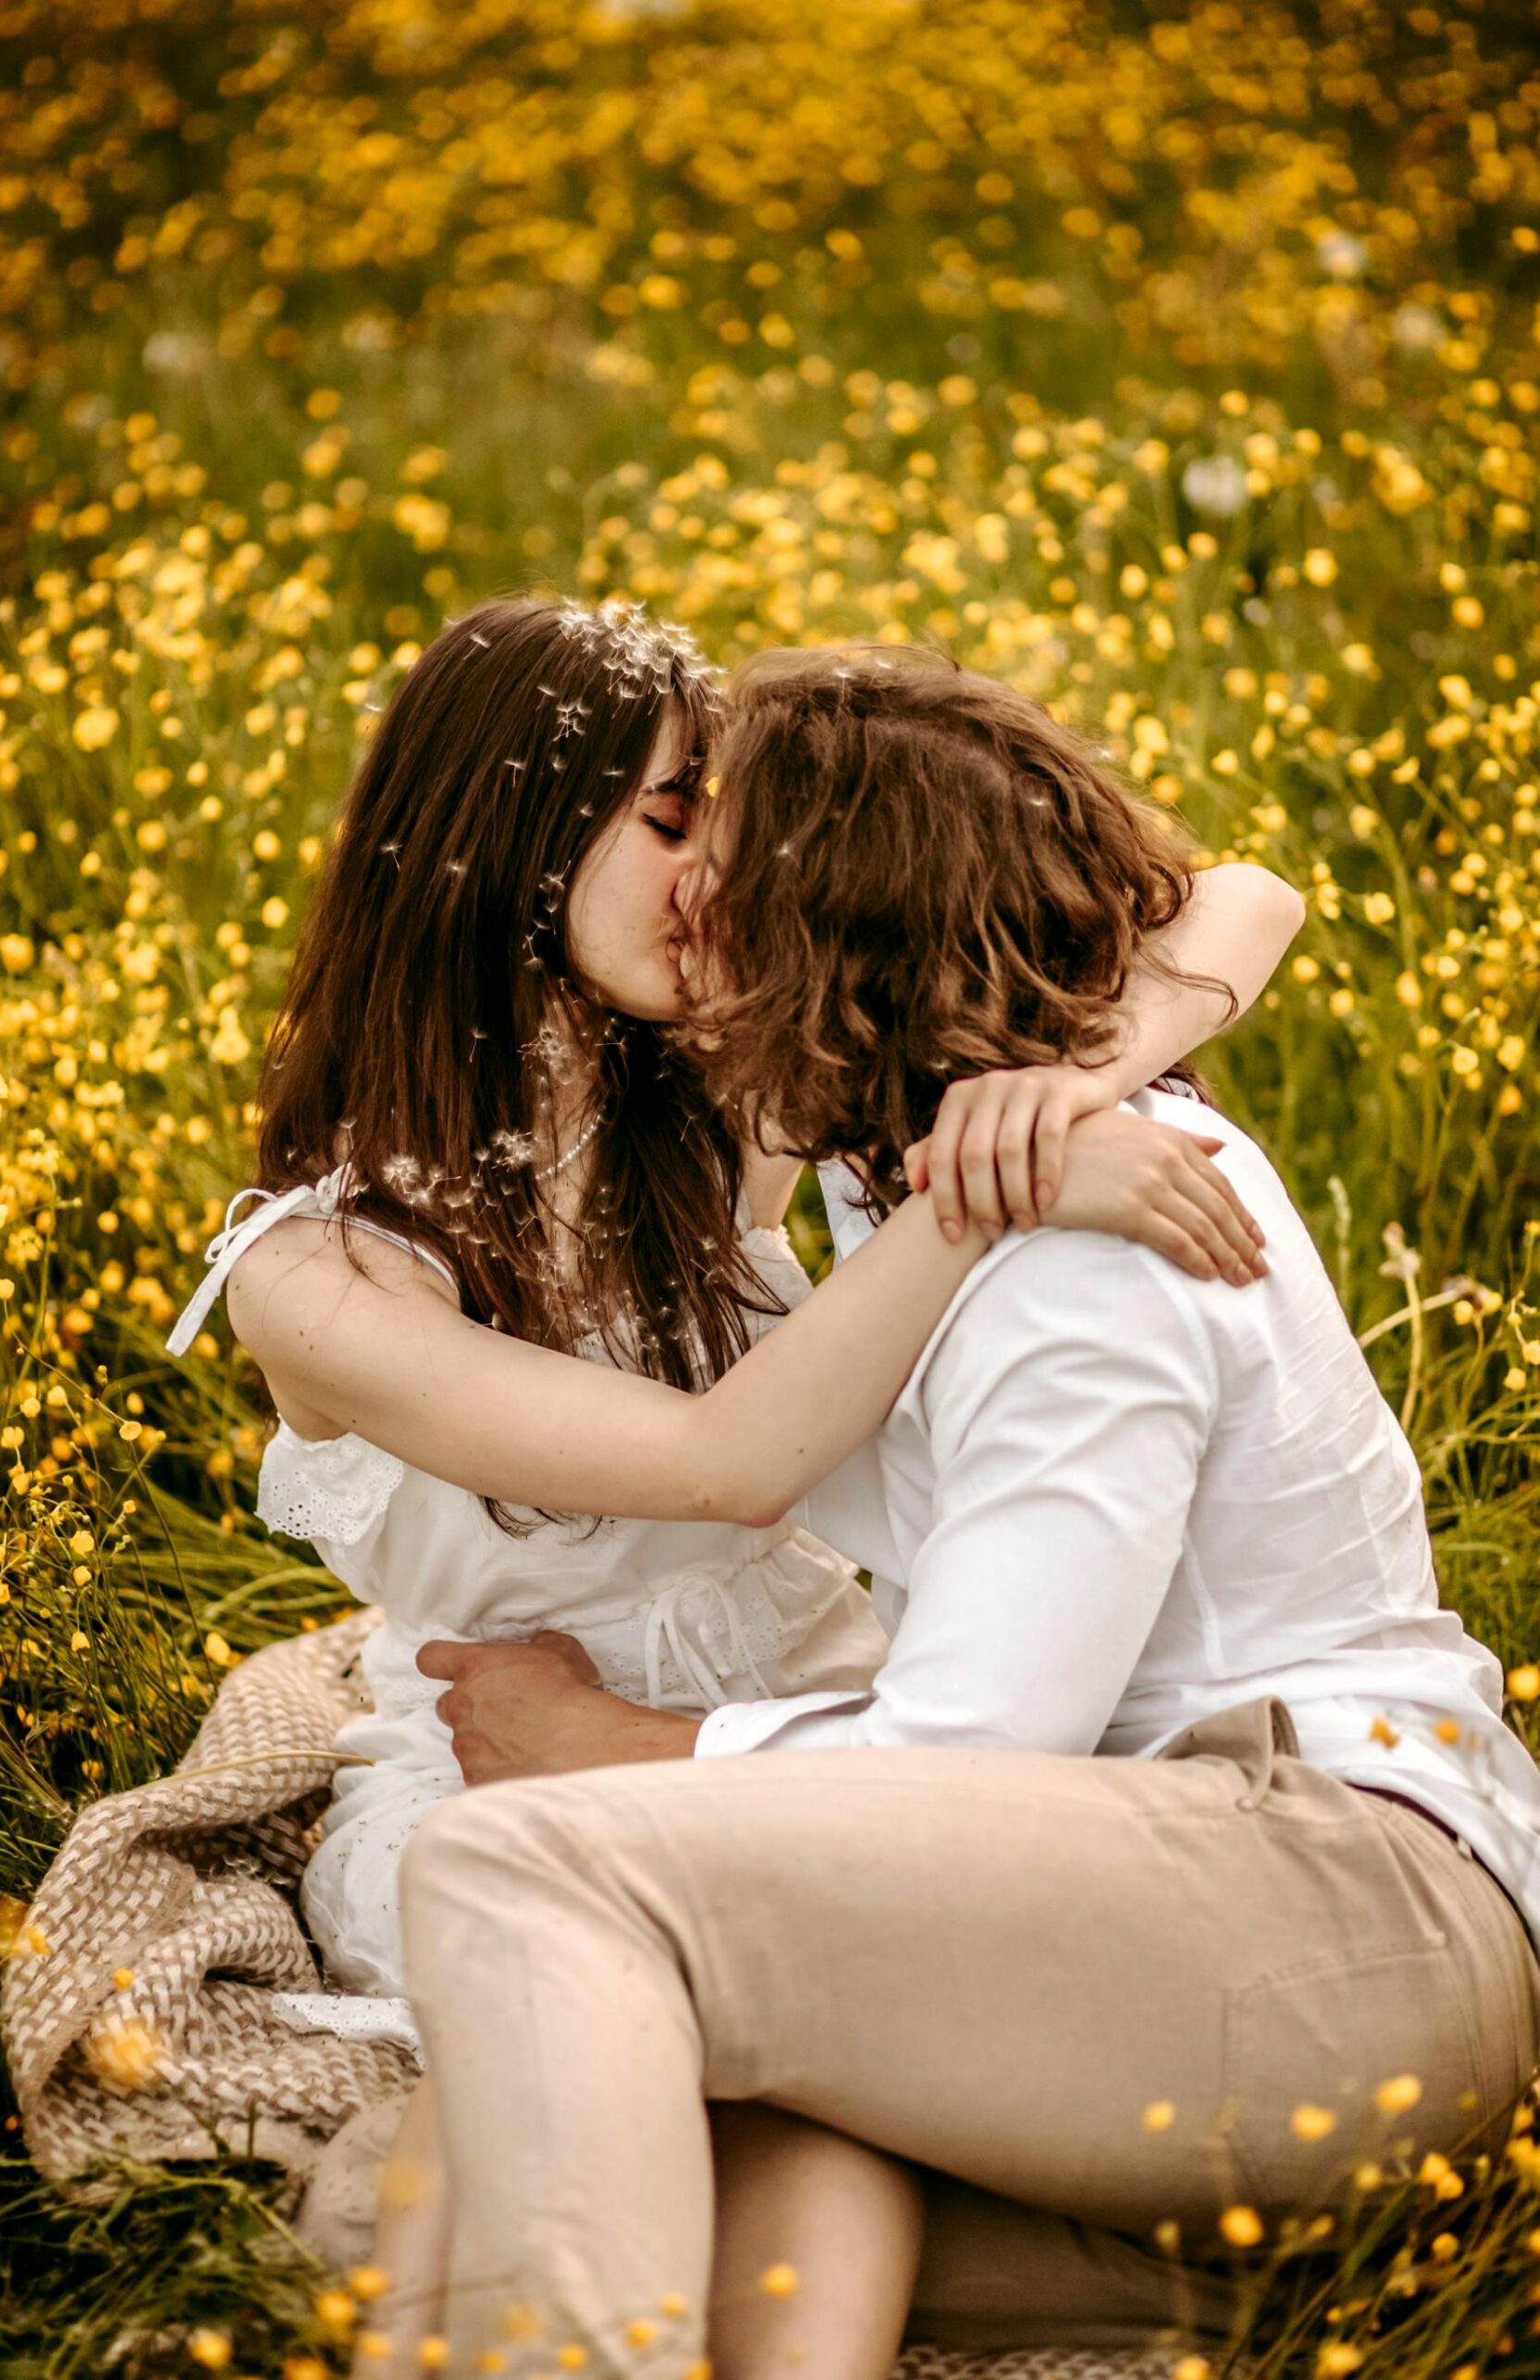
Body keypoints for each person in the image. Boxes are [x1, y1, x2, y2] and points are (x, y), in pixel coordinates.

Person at [164, 597, 1299, 2360]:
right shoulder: (321, 1281)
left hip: (813, 1730)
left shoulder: (714, 1094)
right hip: (506, 1789)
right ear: (506, 844)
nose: (716, 875)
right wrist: (981, 1193)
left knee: (809, 2074)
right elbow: (728, 1463)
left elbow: (1246, 898)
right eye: (670, 823)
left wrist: (1060, 1094)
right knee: (755, 2066)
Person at [401, 646, 1540, 2380]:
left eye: (727, 881)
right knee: (537, 2154)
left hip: (1332, 1907)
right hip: (1217, 1958)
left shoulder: (1088, 1247)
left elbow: (976, 1748)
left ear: (835, 943)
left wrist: (617, 1749)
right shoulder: (949, 1193)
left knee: (515, 1875)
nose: (690, 913)